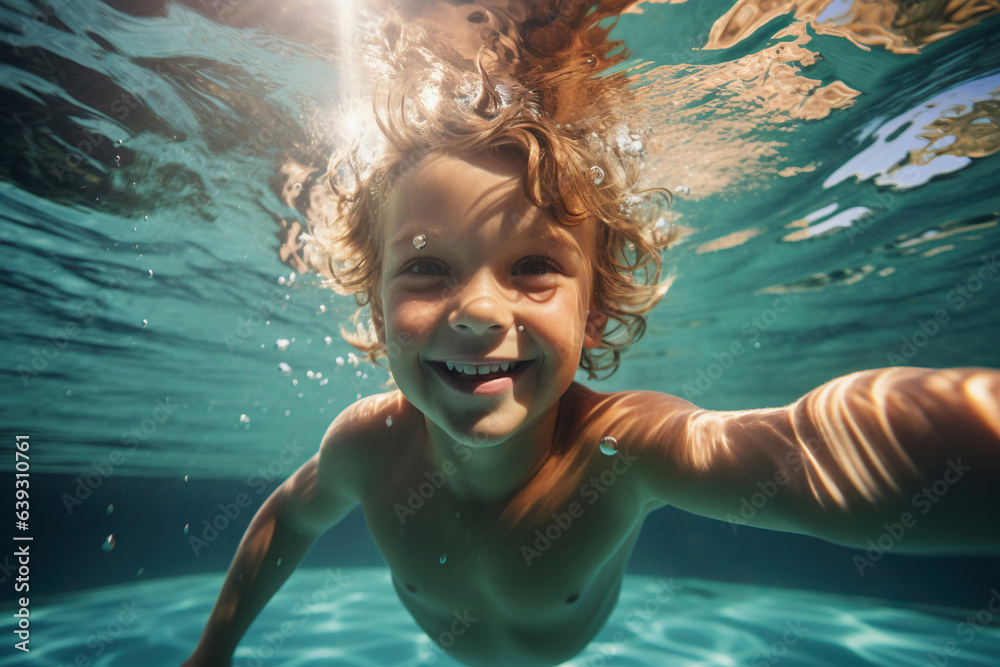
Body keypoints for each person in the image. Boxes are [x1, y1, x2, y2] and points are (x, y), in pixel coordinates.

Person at [184, 2, 1000, 666]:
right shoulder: (366, 446)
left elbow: (812, 450)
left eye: (534, 265)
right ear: (374, 309)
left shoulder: (620, 451)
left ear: (596, 309)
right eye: (427, 269)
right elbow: (290, 516)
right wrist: (211, 651)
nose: (476, 310)